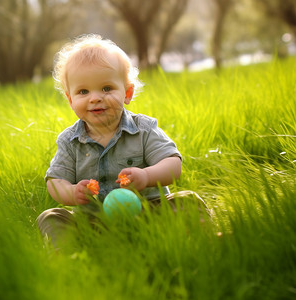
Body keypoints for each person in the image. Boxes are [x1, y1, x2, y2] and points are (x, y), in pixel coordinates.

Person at [38, 34, 208, 248]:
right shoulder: (69, 141)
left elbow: (173, 165)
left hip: (149, 211)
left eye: (107, 88)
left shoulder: (144, 129)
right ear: (71, 100)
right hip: (95, 219)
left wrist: (146, 176)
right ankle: (65, 255)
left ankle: (201, 240)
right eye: (83, 91)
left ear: (127, 93)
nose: (95, 98)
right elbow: (55, 181)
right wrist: (73, 193)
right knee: (51, 216)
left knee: (187, 201)